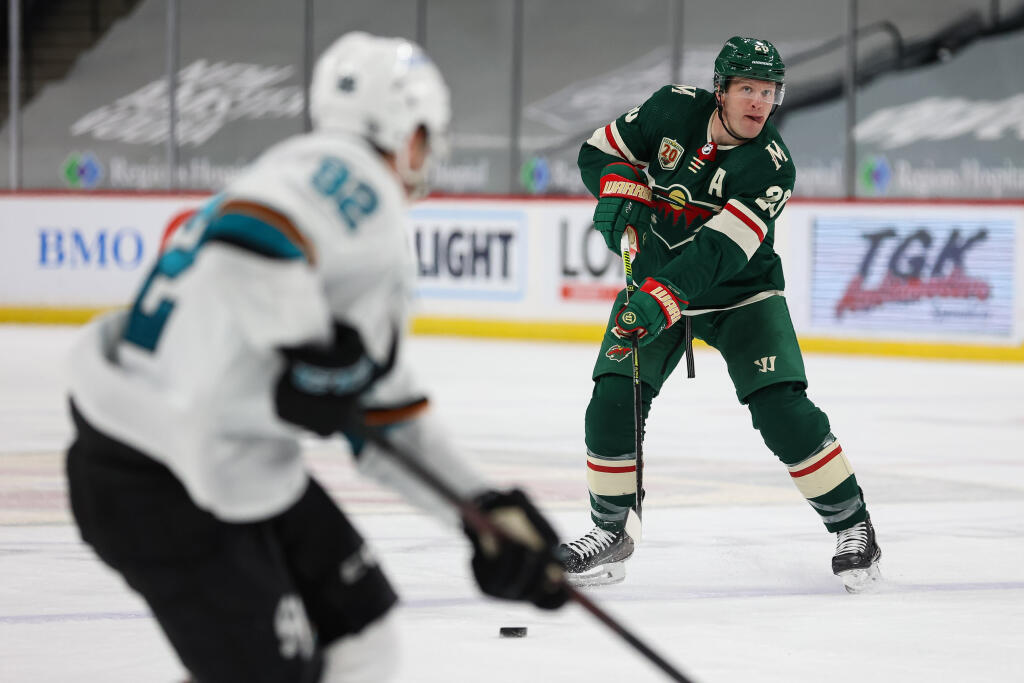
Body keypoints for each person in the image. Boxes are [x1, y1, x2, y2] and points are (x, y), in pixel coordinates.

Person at [64, 32, 568, 683]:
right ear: (410, 134)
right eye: (429, 136)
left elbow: (383, 413)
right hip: (158, 475)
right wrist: (306, 347)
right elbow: (252, 231)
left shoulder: (307, 177)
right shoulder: (354, 179)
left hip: (209, 456)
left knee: (362, 628)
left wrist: (482, 512)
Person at [558, 36, 881, 593]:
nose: (759, 102)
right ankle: (610, 531)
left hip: (741, 295)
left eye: (768, 91)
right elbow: (596, 151)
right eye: (748, 89)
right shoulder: (668, 109)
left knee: (782, 409)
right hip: (656, 283)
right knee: (612, 395)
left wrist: (662, 297)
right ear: (720, 91)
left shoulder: (771, 167)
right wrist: (617, 189)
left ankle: (854, 528)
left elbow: (719, 253)